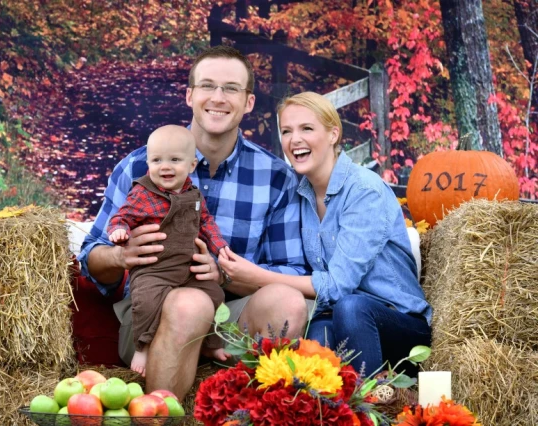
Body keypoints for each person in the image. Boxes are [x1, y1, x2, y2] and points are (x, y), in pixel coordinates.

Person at [77, 45, 308, 400]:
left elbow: (291, 269)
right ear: (189, 95)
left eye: (231, 88)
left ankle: (252, 413)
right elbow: (91, 259)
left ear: (248, 102)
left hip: (229, 312)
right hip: (150, 315)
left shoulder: (276, 177)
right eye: (207, 86)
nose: (218, 97)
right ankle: (159, 415)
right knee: (190, 305)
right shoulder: (140, 167)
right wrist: (120, 257)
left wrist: (225, 272)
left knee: (288, 304)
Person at [218, 91, 432, 374]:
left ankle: (368, 410)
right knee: (312, 346)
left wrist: (256, 276)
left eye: (307, 128)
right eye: (286, 131)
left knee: (351, 308)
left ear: (333, 134)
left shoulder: (364, 190)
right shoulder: (300, 194)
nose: (295, 139)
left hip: (397, 324)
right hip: (336, 316)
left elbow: (337, 286)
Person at [107, 124, 229, 376]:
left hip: (188, 272)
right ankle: (142, 346)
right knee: (146, 302)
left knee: (215, 295)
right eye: (157, 160)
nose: (165, 167)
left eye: (174, 160)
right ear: (148, 163)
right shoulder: (142, 193)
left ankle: (211, 344)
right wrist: (119, 231)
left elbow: (206, 223)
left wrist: (220, 248)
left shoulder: (194, 195)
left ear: (192, 165)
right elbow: (122, 216)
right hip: (154, 270)